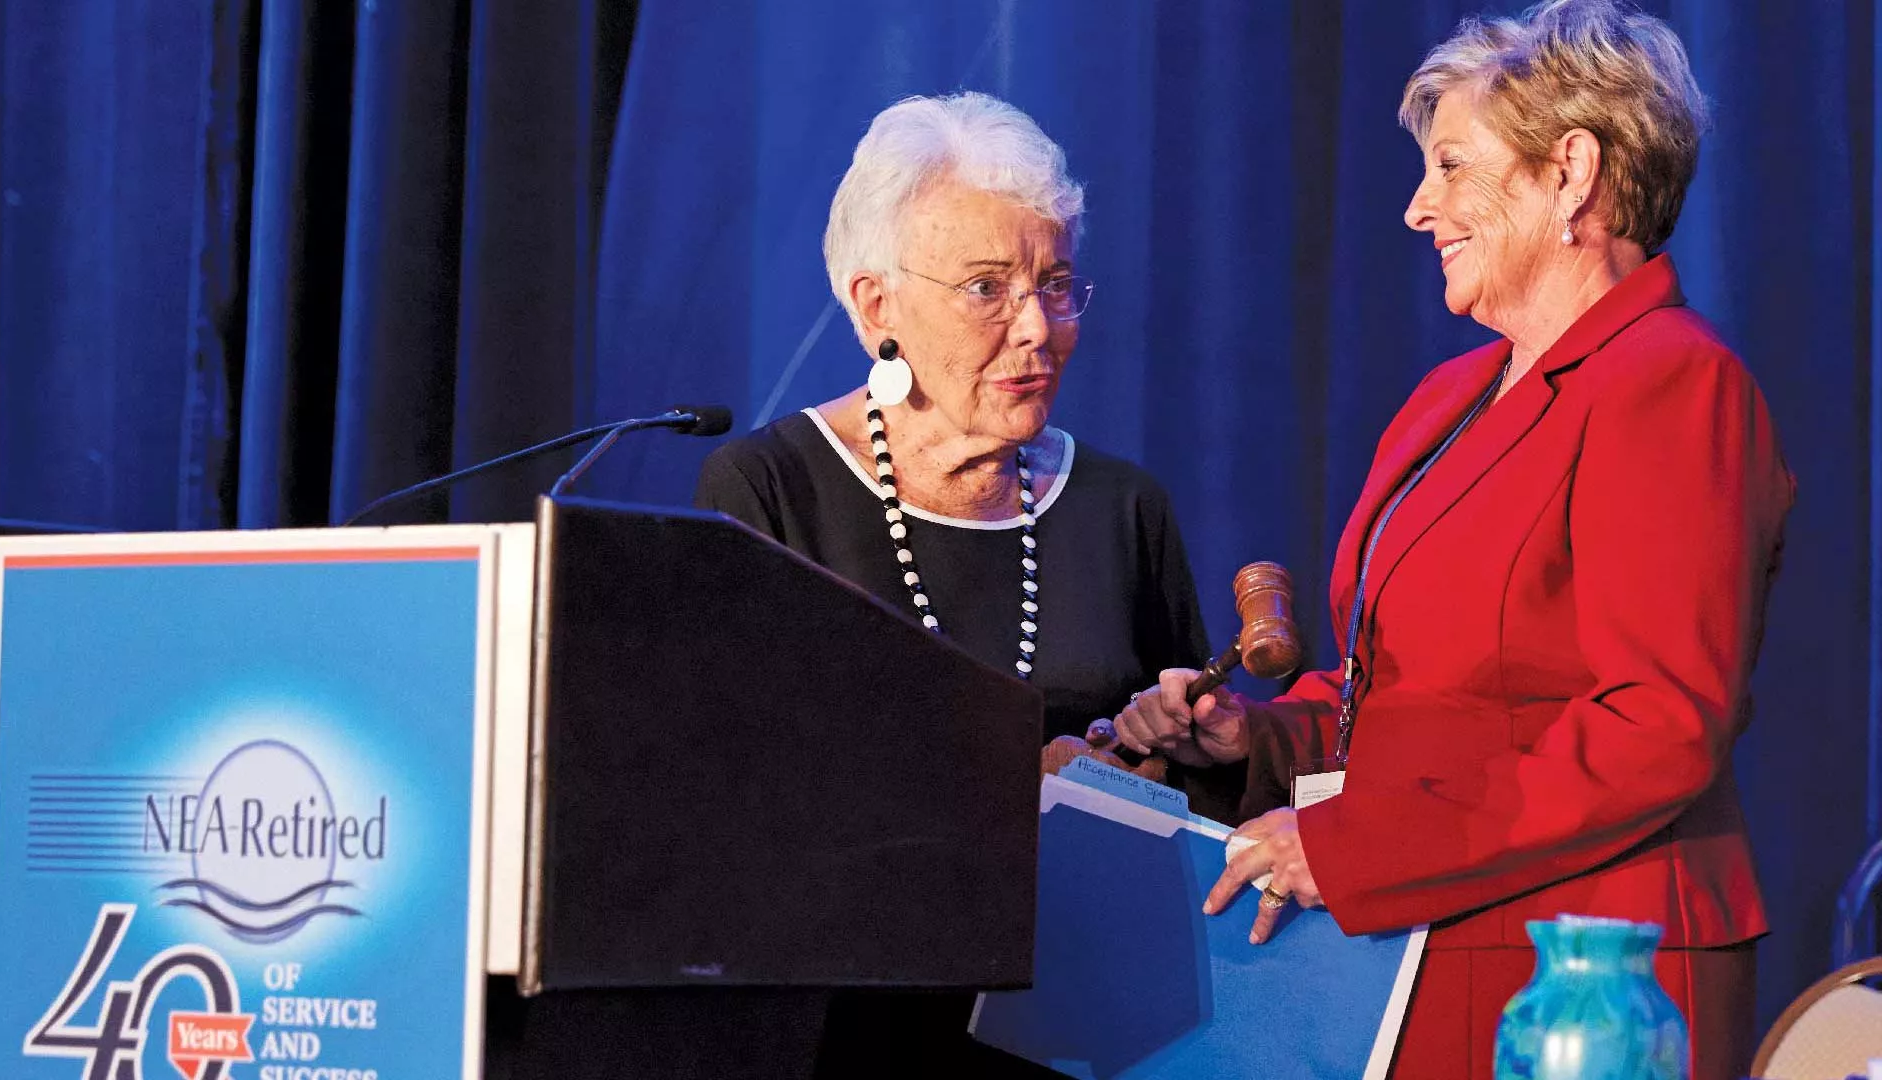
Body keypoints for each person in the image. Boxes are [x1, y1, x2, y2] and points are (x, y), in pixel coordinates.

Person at [1114, 3, 1792, 1077]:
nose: (1417, 209)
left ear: (1570, 171)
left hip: (1582, 978)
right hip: (1417, 952)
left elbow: (1658, 722)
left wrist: (1352, 849)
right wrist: (1261, 743)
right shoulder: (1451, 395)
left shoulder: (1670, 381)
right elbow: (1409, 703)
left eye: (1451, 167)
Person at [695, 91, 1222, 1076]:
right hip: (843, 1031)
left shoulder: (1121, 506)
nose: (1038, 327)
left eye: (1057, 283)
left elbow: (1196, 805)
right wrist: (1006, 793)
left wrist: (1174, 757)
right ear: (876, 305)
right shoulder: (769, 488)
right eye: (988, 288)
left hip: (1086, 1029)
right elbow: (737, 799)